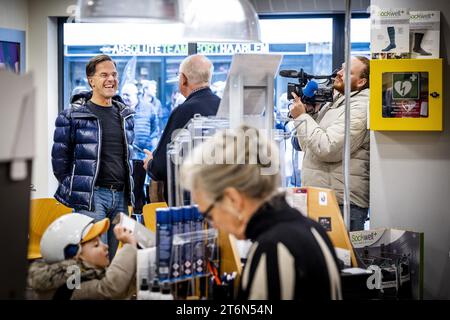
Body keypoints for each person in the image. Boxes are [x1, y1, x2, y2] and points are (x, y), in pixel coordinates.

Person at [180, 125, 342, 300]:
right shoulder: (313, 229)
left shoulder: (272, 250)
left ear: (233, 200)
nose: (213, 225)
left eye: (209, 215)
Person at [51, 54, 135, 258]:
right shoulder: (72, 115)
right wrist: (78, 190)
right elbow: (59, 162)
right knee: (94, 261)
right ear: (91, 81)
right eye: (104, 74)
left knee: (114, 260)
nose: (111, 79)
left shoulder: (126, 115)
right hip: (91, 198)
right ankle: (87, 292)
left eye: (114, 74)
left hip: (121, 197)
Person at [289, 56, 370, 231]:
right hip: (324, 198)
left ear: (362, 81)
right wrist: (309, 115)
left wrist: (302, 117)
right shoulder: (337, 103)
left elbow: (327, 148)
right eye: (341, 68)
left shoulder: (360, 107)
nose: (338, 73)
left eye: (347, 72)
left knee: (342, 258)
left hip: (342, 204)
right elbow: (308, 147)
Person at [143, 54, 220, 202]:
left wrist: (150, 163)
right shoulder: (225, 107)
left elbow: (161, 167)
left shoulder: (183, 111)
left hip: (188, 203)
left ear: (183, 79)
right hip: (218, 198)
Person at [27, 214, 137, 300]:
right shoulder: (69, 283)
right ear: (74, 255)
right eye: (96, 245)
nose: (106, 246)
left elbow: (121, 292)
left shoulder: (85, 273)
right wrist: (129, 246)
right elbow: (109, 288)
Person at [127, 82, 159, 214]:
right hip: (125, 158)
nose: (125, 97)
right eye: (123, 94)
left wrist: (153, 152)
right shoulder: (118, 108)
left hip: (143, 157)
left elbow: (155, 131)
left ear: (136, 95)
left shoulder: (148, 108)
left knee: (140, 191)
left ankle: (140, 216)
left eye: (128, 94)